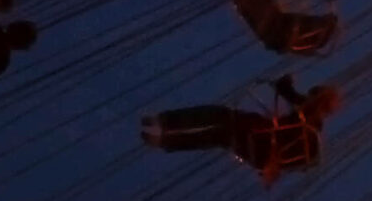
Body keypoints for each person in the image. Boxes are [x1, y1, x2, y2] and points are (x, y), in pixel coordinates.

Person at [143, 75, 340, 184]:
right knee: (220, 135)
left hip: (261, 140)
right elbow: (288, 94)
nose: (307, 98)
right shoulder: (309, 121)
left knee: (218, 118)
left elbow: (291, 99)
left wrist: (286, 86)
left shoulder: (308, 122)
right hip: (258, 149)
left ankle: (165, 124)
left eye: (313, 95)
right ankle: (166, 139)